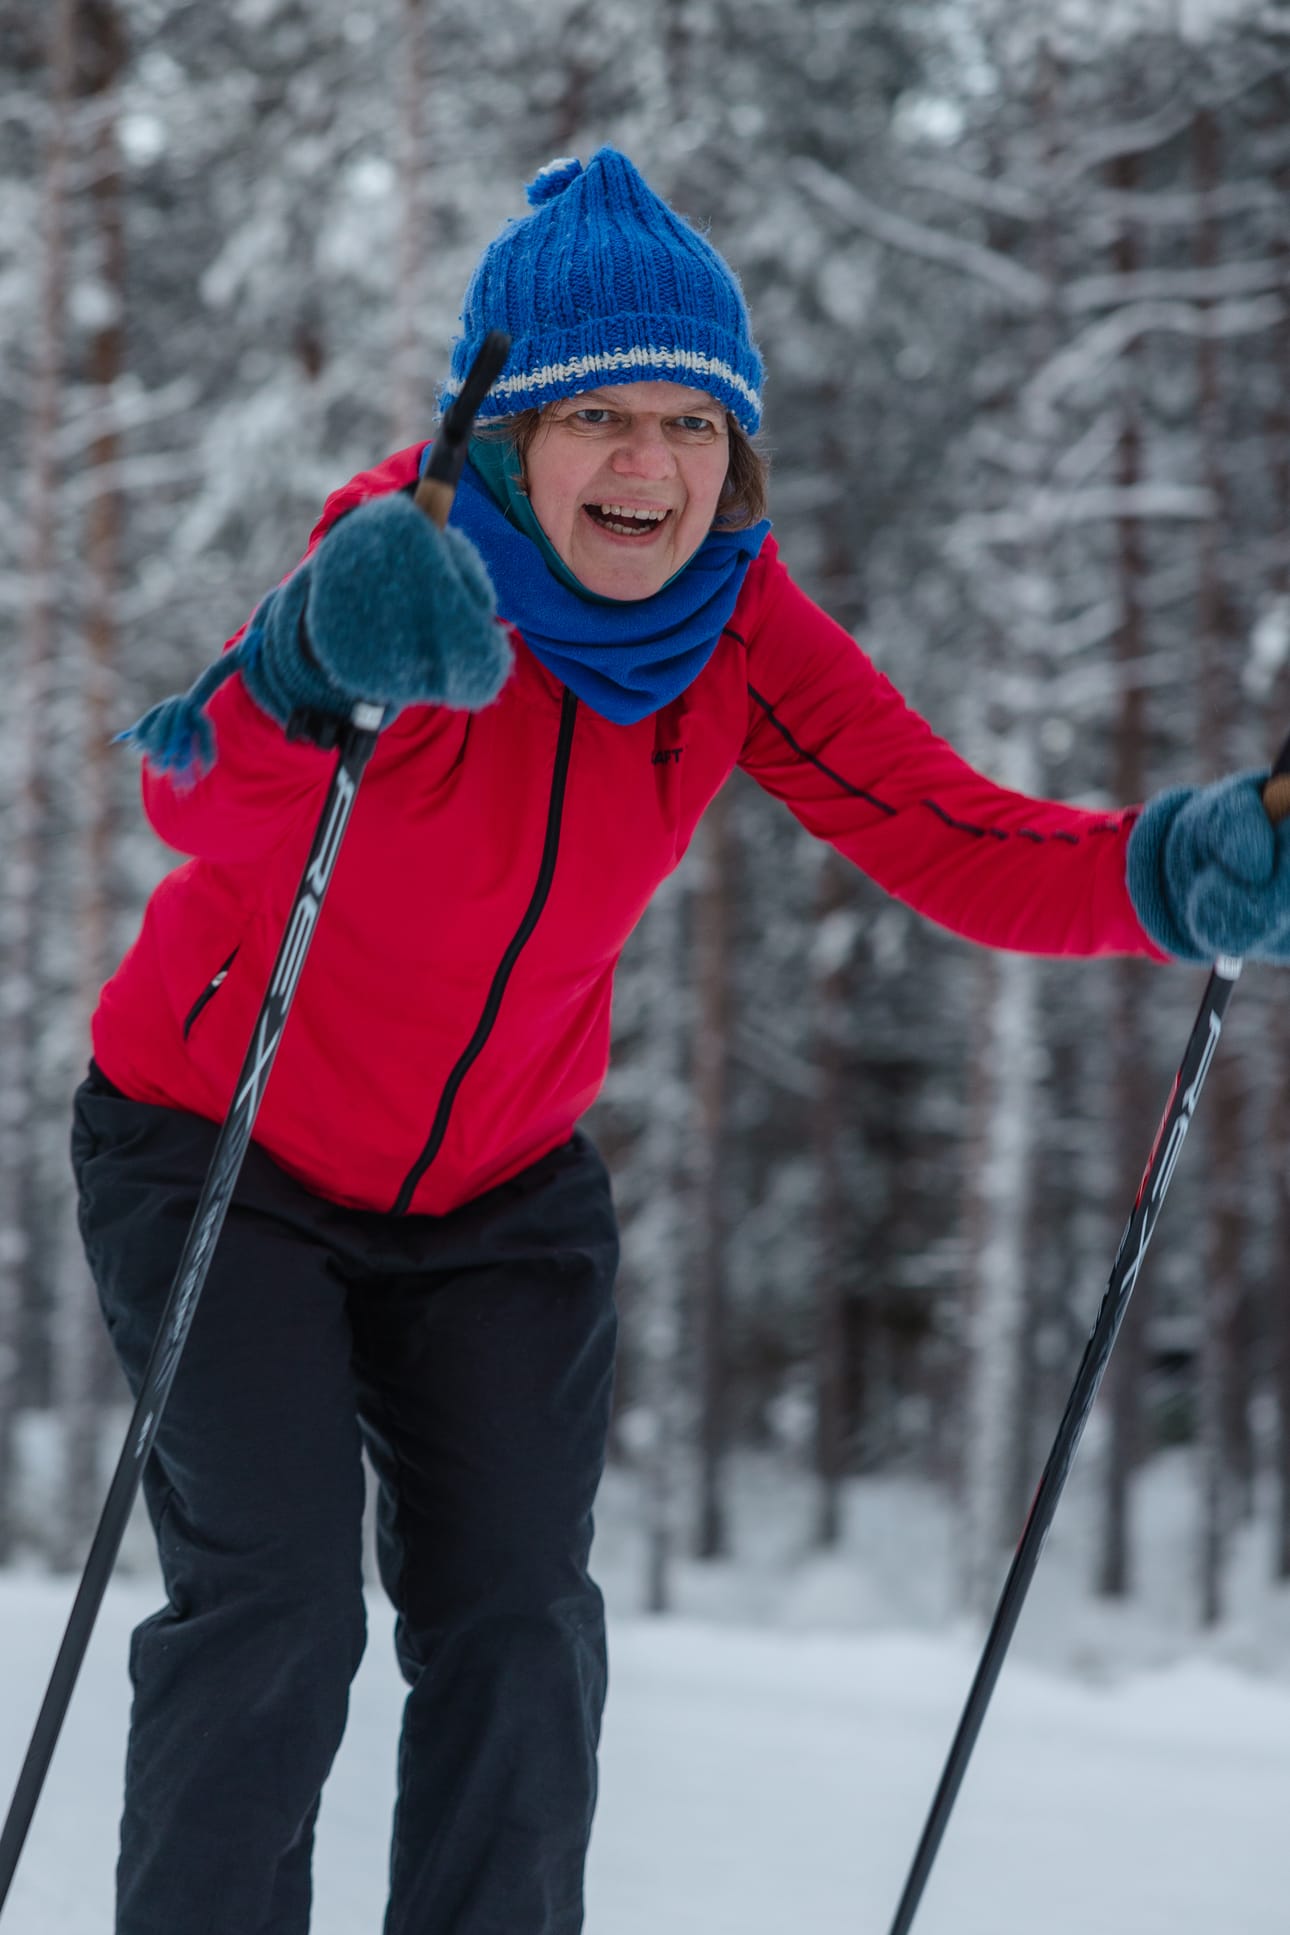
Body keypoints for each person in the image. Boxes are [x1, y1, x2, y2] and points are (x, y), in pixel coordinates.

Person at [73, 146, 1290, 1935]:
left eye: (692, 427)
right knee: (275, 1608)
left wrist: (1180, 875)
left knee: (517, 1624)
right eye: (601, 421)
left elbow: (946, 835)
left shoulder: (737, 632)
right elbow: (207, 809)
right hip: (224, 1150)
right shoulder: (400, 575)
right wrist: (302, 664)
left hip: (499, 1191)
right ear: (505, 437)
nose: (650, 466)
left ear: (736, 456)